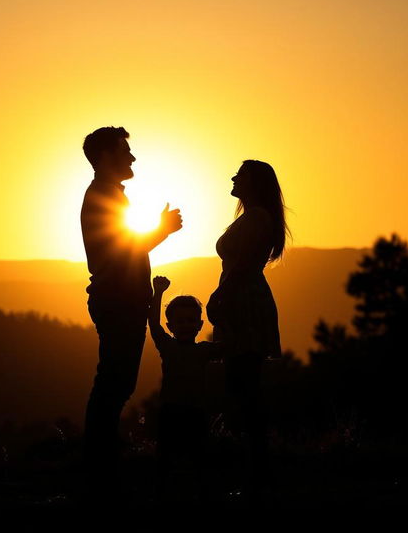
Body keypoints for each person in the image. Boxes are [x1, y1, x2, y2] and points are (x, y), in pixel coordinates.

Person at [80, 126, 182, 481]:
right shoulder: (103, 197)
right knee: (114, 384)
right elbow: (122, 253)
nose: (132, 157)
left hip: (121, 300)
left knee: (116, 383)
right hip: (119, 302)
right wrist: (162, 229)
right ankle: (98, 468)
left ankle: (99, 464)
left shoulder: (106, 195)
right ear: (106, 157)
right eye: (125, 151)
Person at [206, 159, 289, 491]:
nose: (233, 178)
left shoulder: (256, 219)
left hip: (244, 301)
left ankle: (257, 473)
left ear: (253, 182)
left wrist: (220, 294)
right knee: (242, 386)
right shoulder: (254, 217)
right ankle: (255, 470)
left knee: (244, 387)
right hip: (243, 299)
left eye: (240, 174)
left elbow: (242, 264)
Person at [148, 275, 220, 496]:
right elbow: (153, 322)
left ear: (199, 324)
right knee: (166, 458)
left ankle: (200, 492)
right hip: (170, 411)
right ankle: (164, 493)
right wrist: (158, 293)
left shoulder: (205, 350)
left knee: (200, 456)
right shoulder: (167, 346)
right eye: (180, 322)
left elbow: (230, 343)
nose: (186, 325)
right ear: (171, 326)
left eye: (191, 321)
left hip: (197, 412)